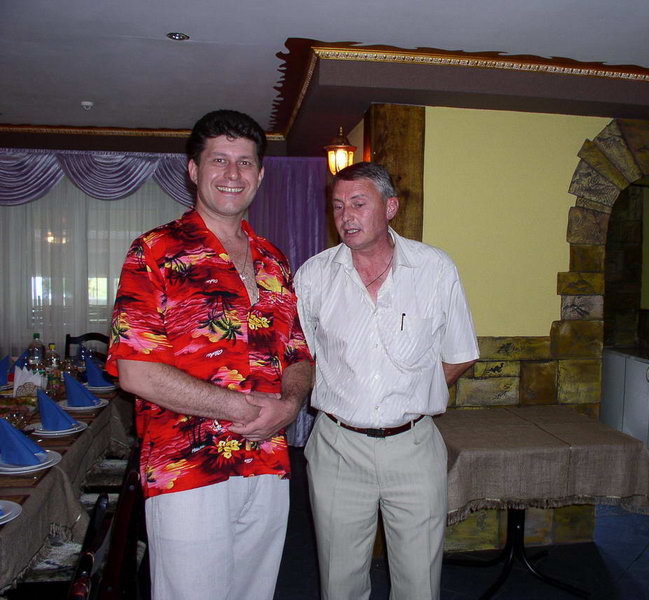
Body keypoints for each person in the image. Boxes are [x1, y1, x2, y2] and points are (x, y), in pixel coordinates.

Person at [105, 109, 313, 600]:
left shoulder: (274, 260)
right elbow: (136, 372)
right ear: (194, 170)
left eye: (245, 162)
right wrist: (240, 408)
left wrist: (290, 405)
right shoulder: (155, 251)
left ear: (260, 175)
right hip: (186, 466)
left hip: (267, 461)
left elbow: (299, 354)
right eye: (219, 160)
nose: (232, 173)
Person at [294, 162, 479, 600]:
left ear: (390, 207)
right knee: (339, 581)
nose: (346, 216)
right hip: (338, 447)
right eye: (338, 206)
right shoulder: (314, 276)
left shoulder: (434, 268)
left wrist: (411, 393)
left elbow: (460, 353)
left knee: (419, 583)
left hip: (413, 447)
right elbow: (300, 358)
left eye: (359, 203)